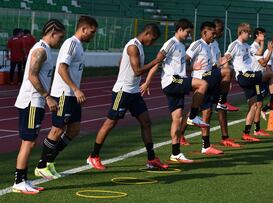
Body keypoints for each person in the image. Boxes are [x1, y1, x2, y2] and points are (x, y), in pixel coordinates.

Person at [86, 23, 169, 170]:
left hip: (134, 92)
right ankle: (93, 156)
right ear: (147, 34)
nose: (153, 43)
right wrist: (157, 61)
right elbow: (137, 71)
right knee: (110, 123)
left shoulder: (138, 46)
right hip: (122, 92)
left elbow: (121, 62)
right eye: (153, 39)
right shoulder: (133, 46)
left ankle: (151, 158)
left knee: (146, 122)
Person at [34, 16, 98, 179]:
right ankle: (42, 165)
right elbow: (62, 68)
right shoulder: (71, 44)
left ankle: (50, 162)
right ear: (83, 29)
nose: (93, 35)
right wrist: (76, 89)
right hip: (64, 93)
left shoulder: (79, 46)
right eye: (92, 32)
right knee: (57, 129)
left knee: (74, 130)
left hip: (72, 95)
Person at [142, 19, 210, 163]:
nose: (189, 35)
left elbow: (179, 67)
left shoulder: (181, 45)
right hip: (172, 81)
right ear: (179, 29)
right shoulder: (171, 43)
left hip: (177, 81)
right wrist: (147, 81)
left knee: (177, 119)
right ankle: (192, 116)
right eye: (187, 32)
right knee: (203, 84)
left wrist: (192, 68)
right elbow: (157, 61)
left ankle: (175, 153)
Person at [12, 19, 65, 194]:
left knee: (29, 142)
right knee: (28, 142)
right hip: (32, 101)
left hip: (35, 101)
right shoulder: (41, 50)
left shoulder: (45, 49)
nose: (61, 40)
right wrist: (47, 97)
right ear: (52, 33)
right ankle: (19, 182)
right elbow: (32, 76)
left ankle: (23, 180)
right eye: (60, 36)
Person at [180, 19, 240, 148]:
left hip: (211, 77)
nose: (216, 34)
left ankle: (206, 145)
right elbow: (184, 60)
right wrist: (192, 68)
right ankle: (222, 102)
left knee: (206, 111)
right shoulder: (198, 44)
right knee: (208, 108)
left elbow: (215, 63)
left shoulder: (213, 45)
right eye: (214, 32)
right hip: (201, 78)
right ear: (206, 32)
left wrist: (223, 63)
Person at [224, 23, 261, 142]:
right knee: (264, 76)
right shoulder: (234, 45)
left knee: (254, 104)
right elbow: (226, 58)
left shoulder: (246, 46)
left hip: (251, 75)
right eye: (248, 33)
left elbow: (256, 55)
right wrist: (227, 78)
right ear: (241, 32)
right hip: (244, 76)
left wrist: (264, 44)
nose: (250, 35)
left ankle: (246, 133)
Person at [249, 27, 273, 136]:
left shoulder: (258, 46)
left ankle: (257, 129)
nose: (264, 36)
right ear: (257, 35)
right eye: (262, 34)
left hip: (259, 76)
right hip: (255, 77)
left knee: (259, 104)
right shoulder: (254, 47)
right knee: (256, 104)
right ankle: (254, 130)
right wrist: (269, 50)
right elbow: (263, 63)